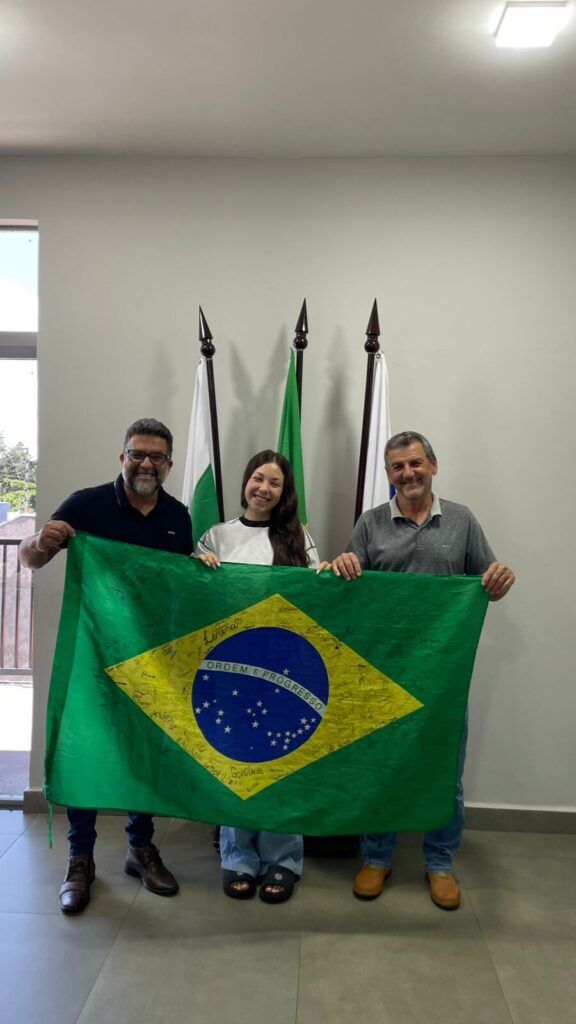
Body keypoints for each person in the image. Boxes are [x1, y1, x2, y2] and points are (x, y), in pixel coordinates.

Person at [331, 430, 515, 911]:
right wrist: (344, 563)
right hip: (383, 672)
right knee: (383, 765)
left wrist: (499, 579)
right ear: (388, 474)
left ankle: (439, 862)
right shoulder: (370, 523)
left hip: (442, 675)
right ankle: (377, 857)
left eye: (415, 463)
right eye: (397, 467)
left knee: (443, 771)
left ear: (433, 466)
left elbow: (486, 579)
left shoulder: (463, 520)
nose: (408, 473)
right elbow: (346, 587)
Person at [19, 417, 193, 914]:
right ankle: (80, 859)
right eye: (137, 454)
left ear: (169, 464)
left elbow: (183, 585)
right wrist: (42, 540)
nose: (145, 464)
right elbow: (30, 559)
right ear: (122, 458)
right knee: (87, 750)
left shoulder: (178, 516)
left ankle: (141, 848)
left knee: (144, 751)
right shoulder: (86, 504)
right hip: (94, 653)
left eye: (155, 456)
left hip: (154, 656)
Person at [196, 449, 323, 903]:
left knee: (280, 759)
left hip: (285, 666)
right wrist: (198, 568)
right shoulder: (217, 535)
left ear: (284, 492)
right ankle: (238, 856)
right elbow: (198, 600)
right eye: (258, 478)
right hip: (229, 666)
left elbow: (316, 594)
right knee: (237, 759)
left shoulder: (298, 537)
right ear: (246, 482)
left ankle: (283, 858)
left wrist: (327, 573)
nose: (264, 488)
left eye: (274, 482)